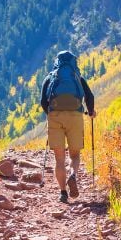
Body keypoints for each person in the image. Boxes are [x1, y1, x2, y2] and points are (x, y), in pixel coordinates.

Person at [40, 50, 95, 203]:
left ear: (56, 62)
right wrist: (90, 112)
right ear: (73, 62)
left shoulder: (50, 77)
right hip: (75, 116)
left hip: (55, 117)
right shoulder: (78, 77)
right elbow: (89, 97)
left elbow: (43, 102)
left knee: (59, 158)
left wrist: (50, 113)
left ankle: (63, 193)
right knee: (75, 155)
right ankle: (73, 175)